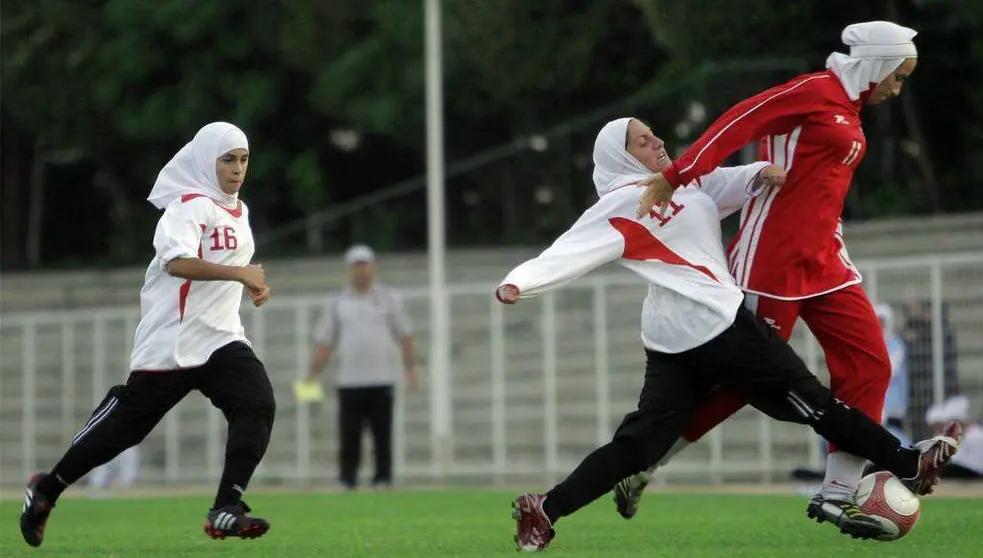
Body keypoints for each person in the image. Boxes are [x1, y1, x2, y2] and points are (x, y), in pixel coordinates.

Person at [505, 117, 961, 551]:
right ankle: (908, 464)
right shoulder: (621, 202)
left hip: (673, 341)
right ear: (618, 158)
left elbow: (723, 182)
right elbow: (567, 251)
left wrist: (761, 172)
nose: (658, 142)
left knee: (641, 445)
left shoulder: (684, 184)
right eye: (642, 141)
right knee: (816, 405)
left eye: (654, 134)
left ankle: (545, 509)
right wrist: (518, 283)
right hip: (720, 327)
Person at [621, 21, 921, 534]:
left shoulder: (847, 108)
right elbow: (738, 121)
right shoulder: (812, 92)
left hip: (826, 260)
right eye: (898, 75)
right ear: (875, 66)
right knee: (744, 382)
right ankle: (645, 460)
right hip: (770, 261)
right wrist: (677, 175)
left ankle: (838, 493)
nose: (898, 88)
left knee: (870, 363)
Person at [19, 122, 276, 548]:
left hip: (220, 338)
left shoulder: (239, 210)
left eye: (243, 159)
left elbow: (229, 270)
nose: (237, 169)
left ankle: (226, 508)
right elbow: (177, 263)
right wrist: (239, 273)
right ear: (205, 161)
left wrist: (251, 284)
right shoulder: (187, 206)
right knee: (123, 431)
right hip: (172, 342)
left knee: (258, 403)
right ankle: (46, 488)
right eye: (228, 159)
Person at [307, 244, 417, 490]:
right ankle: (347, 479)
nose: (361, 270)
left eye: (365, 264)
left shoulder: (389, 299)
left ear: (373, 266)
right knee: (349, 435)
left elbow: (405, 335)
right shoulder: (337, 303)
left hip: (382, 378)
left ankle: (383, 478)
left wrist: (410, 369)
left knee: (382, 434)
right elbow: (326, 341)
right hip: (349, 380)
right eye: (356, 265)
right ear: (349, 269)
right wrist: (313, 372)